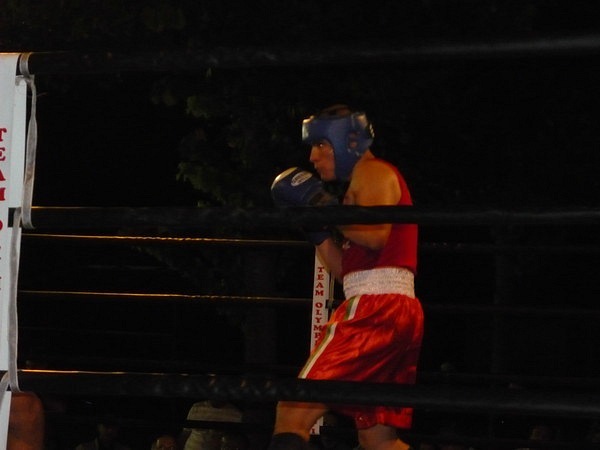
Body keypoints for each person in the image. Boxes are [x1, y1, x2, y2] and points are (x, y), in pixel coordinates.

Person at [270, 104, 424, 450]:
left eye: (320, 145)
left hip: (374, 310)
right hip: (390, 308)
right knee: (378, 441)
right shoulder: (358, 189)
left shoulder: (372, 172)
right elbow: (347, 272)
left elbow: (375, 235)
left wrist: (321, 203)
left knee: (293, 410)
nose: (312, 157)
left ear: (347, 141)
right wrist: (317, 231)